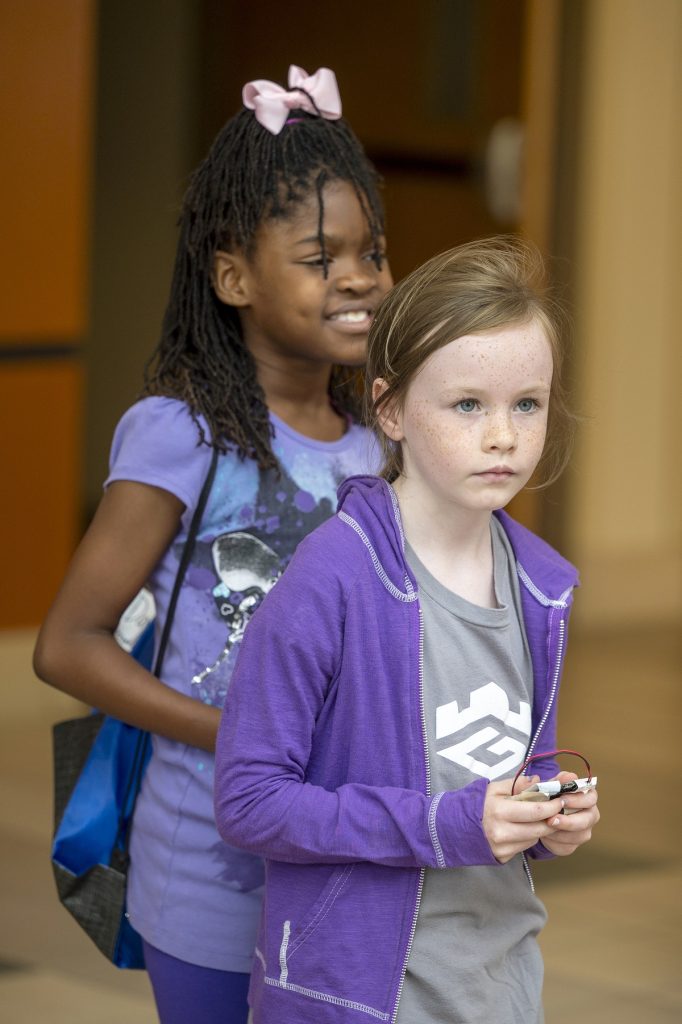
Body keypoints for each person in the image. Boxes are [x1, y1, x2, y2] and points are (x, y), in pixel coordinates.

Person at [33, 65, 393, 1024]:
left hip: (343, 861)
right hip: (207, 865)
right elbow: (67, 643)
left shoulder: (383, 448)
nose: (359, 277)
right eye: (321, 258)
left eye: (372, 252)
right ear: (233, 276)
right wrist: (239, 739)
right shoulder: (181, 434)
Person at [214, 237, 601, 1024]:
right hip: (350, 991)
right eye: (468, 405)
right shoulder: (332, 576)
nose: (503, 435)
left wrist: (546, 821)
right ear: (389, 408)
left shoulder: (543, 585)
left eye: (527, 404)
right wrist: (447, 824)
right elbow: (251, 802)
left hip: (497, 986)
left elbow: (506, 791)